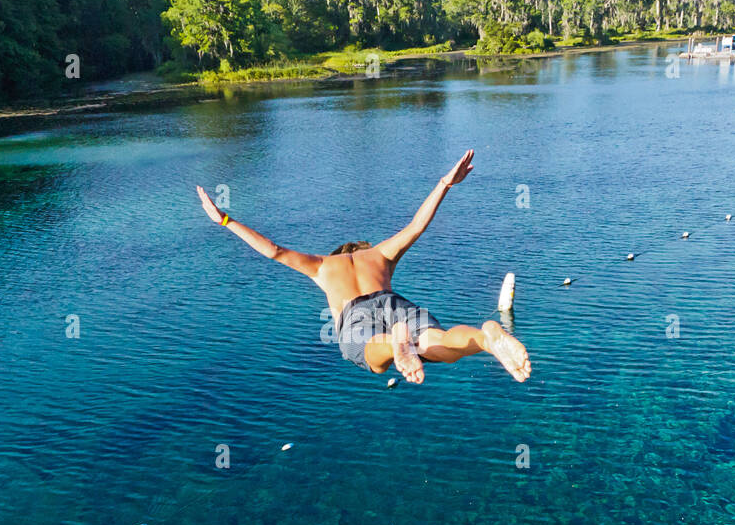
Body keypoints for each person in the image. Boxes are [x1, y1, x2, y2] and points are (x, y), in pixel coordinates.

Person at [195, 150, 530, 384]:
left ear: (342, 252)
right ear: (362, 249)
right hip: (393, 301)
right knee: (442, 344)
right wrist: (444, 183)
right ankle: (486, 337)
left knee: (376, 357)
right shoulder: (380, 255)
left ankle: (393, 345)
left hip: (356, 314)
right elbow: (416, 226)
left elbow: (273, 251)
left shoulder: (324, 266)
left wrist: (225, 219)